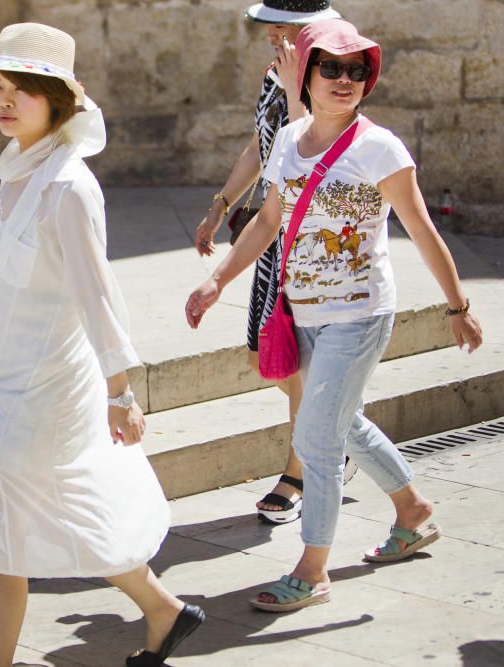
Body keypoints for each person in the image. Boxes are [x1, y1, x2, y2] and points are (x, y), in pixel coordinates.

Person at [185, 19, 483, 611]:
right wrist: (218, 279)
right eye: (331, 68)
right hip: (303, 311)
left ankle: (313, 567)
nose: (344, 80)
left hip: (361, 314)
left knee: (317, 435)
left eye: (356, 70)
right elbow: (269, 220)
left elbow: (421, 230)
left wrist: (459, 307)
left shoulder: (380, 148)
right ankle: (413, 512)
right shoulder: (291, 140)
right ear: (309, 72)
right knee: (344, 423)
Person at [0, 23, 204, 667]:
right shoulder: (18, 172)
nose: (4, 101)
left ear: (58, 100)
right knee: (13, 521)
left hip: (52, 386)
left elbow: (98, 293)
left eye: (23, 90)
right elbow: (8, 276)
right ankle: (163, 611)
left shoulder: (68, 184)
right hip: (12, 375)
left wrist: (123, 391)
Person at [193, 0, 354, 525]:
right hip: (270, 228)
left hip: (306, 237)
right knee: (271, 358)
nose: (270, 35)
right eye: (270, 25)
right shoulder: (278, 71)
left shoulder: (329, 74)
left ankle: (302, 470)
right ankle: (335, 435)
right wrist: (221, 205)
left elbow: (310, 151)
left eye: (281, 26)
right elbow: (263, 146)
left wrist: (294, 86)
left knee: (298, 361)